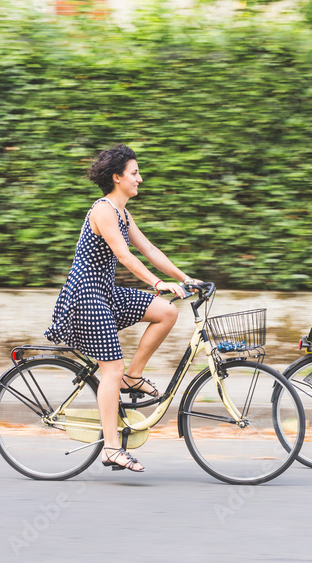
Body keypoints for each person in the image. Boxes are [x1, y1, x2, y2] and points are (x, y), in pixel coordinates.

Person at [45, 144, 197, 472]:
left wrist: (187, 279)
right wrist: (157, 282)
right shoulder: (103, 210)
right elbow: (125, 255)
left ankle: (133, 377)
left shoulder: (123, 213)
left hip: (106, 293)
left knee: (166, 312)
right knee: (111, 368)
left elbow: (149, 249)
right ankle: (111, 448)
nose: (140, 179)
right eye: (134, 173)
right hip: (85, 296)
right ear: (117, 177)